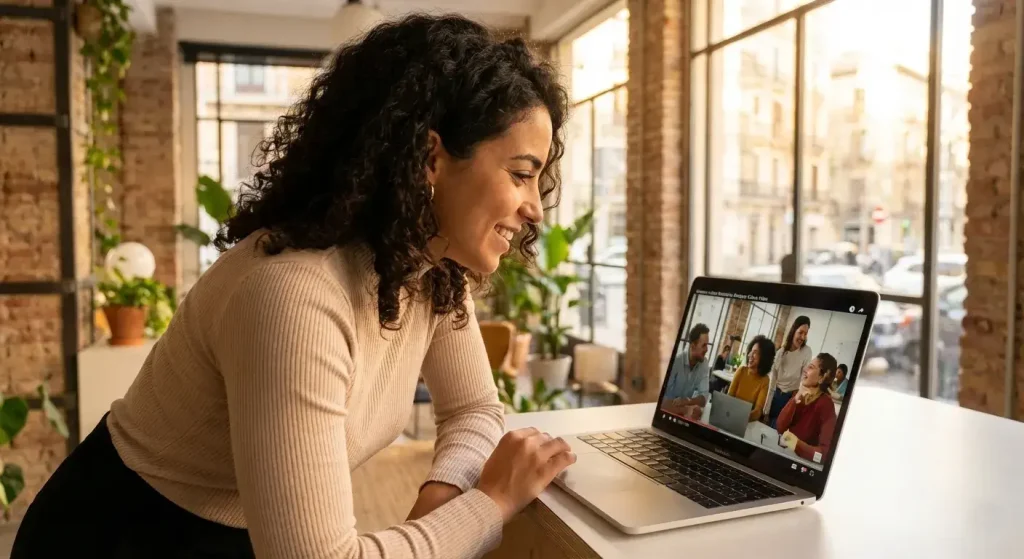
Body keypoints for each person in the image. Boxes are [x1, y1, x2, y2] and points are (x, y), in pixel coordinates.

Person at [13, 16, 575, 558]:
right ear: (430, 157)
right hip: (130, 535)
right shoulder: (293, 295)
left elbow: (476, 407)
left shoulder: (427, 269)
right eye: (521, 173)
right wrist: (490, 502)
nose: (534, 210)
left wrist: (440, 504)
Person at [776, 353, 838, 464]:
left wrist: (795, 443)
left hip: (800, 464)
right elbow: (780, 427)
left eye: (811, 367)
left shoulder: (826, 405)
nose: (805, 369)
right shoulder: (800, 394)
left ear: (821, 377)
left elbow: (824, 455)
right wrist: (794, 400)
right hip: (786, 454)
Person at [764, 315, 813, 426]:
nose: (802, 337)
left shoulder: (806, 352)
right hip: (775, 396)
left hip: (789, 398)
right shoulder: (780, 353)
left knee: (779, 429)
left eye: (805, 334)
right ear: (793, 330)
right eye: (800, 332)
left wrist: (793, 400)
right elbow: (772, 383)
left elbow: (803, 379)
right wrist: (766, 412)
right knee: (765, 426)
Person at [663, 324, 711, 420]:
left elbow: (703, 398)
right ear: (693, 346)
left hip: (682, 419)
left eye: (707, 345)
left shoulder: (704, 363)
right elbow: (662, 402)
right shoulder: (675, 361)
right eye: (704, 345)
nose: (707, 350)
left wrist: (688, 401)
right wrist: (688, 409)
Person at [727, 335, 776, 422]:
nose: (750, 355)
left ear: (764, 357)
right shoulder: (741, 371)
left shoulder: (765, 380)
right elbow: (728, 397)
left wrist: (745, 417)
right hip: (729, 415)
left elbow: (758, 411)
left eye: (755, 352)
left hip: (745, 421)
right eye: (750, 351)